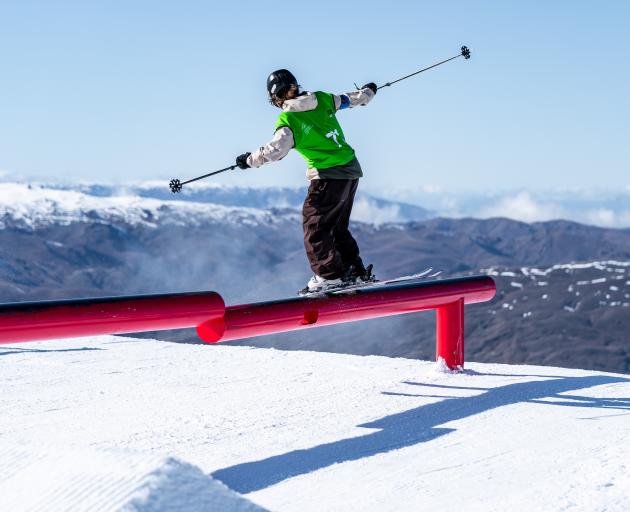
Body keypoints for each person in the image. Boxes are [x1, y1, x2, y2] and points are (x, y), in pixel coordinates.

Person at [236, 69, 377, 293]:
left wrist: (249, 160)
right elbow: (351, 99)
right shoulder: (323, 98)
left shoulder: (289, 119)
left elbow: (276, 151)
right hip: (350, 170)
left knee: (315, 225)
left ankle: (329, 276)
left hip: (327, 175)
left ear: (276, 97)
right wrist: (369, 91)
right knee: (336, 226)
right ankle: (355, 271)